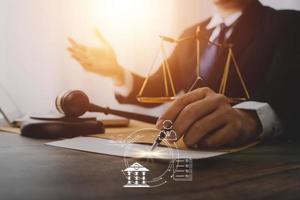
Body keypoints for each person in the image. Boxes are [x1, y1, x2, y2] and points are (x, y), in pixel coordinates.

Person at [68, 0, 300, 148]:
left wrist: (249, 119)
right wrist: (116, 72)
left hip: (259, 161)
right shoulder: (191, 35)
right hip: (193, 150)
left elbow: (290, 94)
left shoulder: (288, 24)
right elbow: (157, 88)